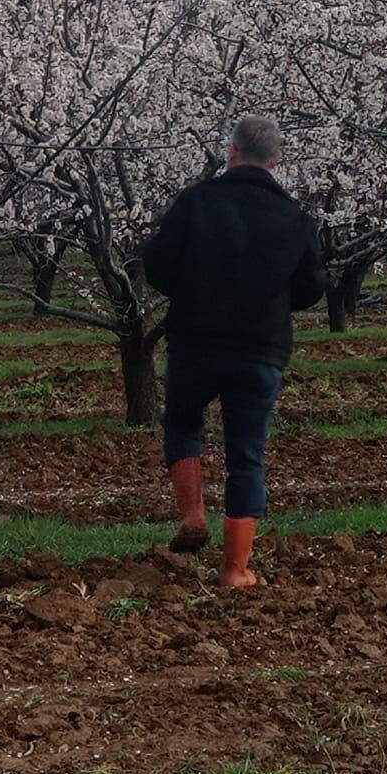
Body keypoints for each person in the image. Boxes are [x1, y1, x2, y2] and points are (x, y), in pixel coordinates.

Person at [141, 114, 326, 587]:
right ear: (278, 159)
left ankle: (193, 516)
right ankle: (235, 569)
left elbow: (158, 266)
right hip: (259, 350)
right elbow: (311, 288)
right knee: (247, 455)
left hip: (195, 342)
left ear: (231, 151)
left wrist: (190, 285)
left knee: (182, 423)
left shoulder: (197, 201)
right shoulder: (295, 217)